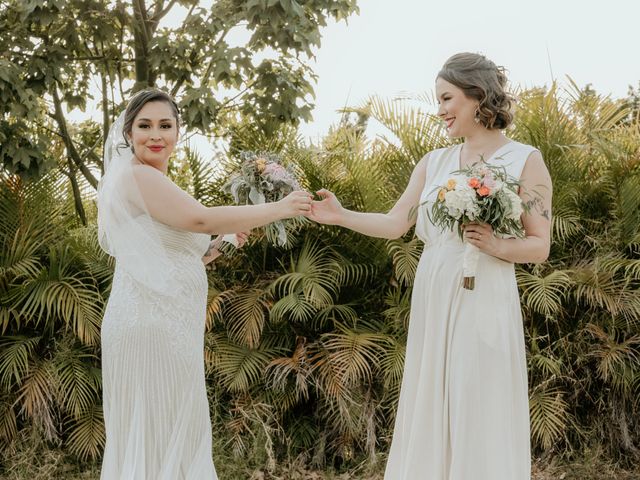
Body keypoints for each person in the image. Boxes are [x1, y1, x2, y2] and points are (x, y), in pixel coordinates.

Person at [307, 52, 553, 479]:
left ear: (478, 97)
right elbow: (395, 224)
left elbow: (539, 246)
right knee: (432, 393)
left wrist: (496, 243)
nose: (438, 111)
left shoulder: (524, 160)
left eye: (446, 98)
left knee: (475, 392)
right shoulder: (433, 163)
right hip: (435, 290)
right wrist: (341, 215)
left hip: (485, 295)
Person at [97, 89, 313, 479]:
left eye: (165, 125)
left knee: (166, 428)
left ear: (179, 132)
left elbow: (175, 253)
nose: (155, 134)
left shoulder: (150, 181)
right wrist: (280, 208)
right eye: (144, 126)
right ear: (128, 133)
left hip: (164, 323)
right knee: (161, 428)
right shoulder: (137, 175)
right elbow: (200, 218)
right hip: (151, 326)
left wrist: (219, 245)